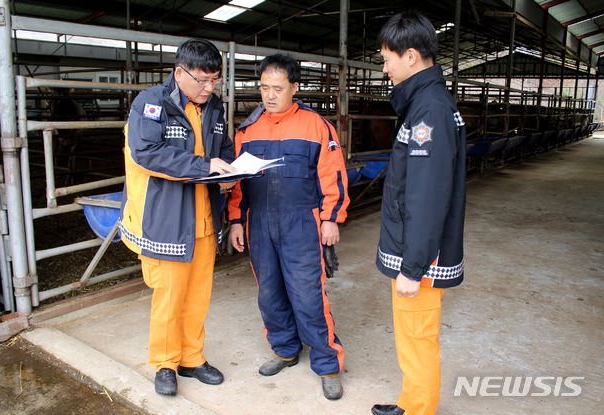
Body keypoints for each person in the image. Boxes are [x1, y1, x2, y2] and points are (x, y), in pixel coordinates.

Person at [227, 54, 350, 400]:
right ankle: (284, 349)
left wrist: (331, 218)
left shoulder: (316, 126)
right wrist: (235, 219)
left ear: (294, 88)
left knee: (308, 296)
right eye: (264, 88)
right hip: (259, 222)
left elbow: (334, 176)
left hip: (301, 223)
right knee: (269, 293)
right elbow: (237, 183)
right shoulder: (247, 131)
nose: (269, 95)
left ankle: (327, 364)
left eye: (277, 88)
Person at [119, 38, 237, 396]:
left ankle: (192, 357)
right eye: (202, 80)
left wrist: (231, 169)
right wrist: (204, 166)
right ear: (179, 72)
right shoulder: (152, 103)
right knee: (169, 295)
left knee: (198, 295)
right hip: (167, 219)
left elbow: (224, 147)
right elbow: (148, 153)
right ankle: (165, 363)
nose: (209, 88)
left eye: (215, 80)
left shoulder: (213, 106)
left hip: (203, 218)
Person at [372, 11, 466, 415]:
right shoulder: (423, 103)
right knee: (411, 335)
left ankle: (420, 409)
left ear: (410, 56)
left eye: (387, 59)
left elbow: (427, 197)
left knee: (418, 336)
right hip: (415, 249)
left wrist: (413, 268)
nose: (385, 68)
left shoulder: (430, 110)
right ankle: (412, 401)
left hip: (420, 257)